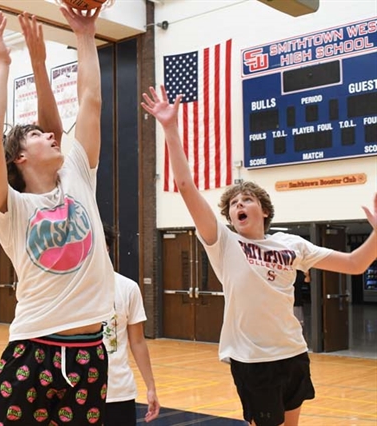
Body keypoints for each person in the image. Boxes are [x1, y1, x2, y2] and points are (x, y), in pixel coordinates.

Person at [141, 85, 377, 426]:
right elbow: (186, 186)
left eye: (247, 200)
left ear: (263, 210)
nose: (239, 204)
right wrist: (169, 128)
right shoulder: (223, 242)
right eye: (234, 203)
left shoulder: (293, 244)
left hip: (293, 352)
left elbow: (355, 263)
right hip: (252, 360)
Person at [0, 7, 115, 425]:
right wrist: (3, 64)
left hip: (91, 352)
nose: (51, 134)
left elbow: (90, 101)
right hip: (33, 348)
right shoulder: (11, 208)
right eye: (37, 135)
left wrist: (86, 35)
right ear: (19, 157)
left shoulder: (76, 175)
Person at [102, 224, 160, 425]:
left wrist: (150, 386)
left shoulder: (127, 288)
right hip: (76, 391)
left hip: (118, 392)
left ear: (107, 247)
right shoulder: (67, 289)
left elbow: (137, 341)